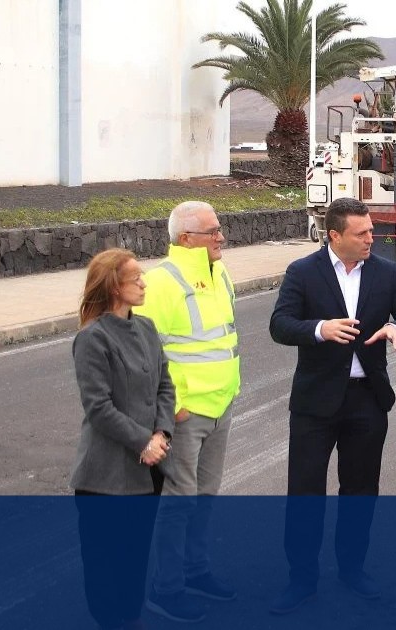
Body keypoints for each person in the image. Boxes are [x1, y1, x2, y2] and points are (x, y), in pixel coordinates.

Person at [267, 197, 396, 614]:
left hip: (367, 399)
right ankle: (301, 579)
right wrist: (320, 328)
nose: (372, 238)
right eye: (362, 233)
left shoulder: (386, 272)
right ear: (334, 235)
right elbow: (280, 325)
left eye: (371, 230)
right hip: (315, 402)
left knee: (360, 491)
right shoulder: (303, 272)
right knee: (305, 492)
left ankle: (352, 569)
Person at [132, 201, 240, 623]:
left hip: (220, 405)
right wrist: (171, 409)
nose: (221, 236)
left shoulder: (221, 273)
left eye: (219, 228)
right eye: (212, 231)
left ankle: (195, 571)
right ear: (185, 239)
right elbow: (143, 354)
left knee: (205, 497)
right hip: (185, 415)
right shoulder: (161, 282)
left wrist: (228, 392)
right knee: (178, 503)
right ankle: (167, 588)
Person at [70, 247, 174, 630]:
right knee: (104, 562)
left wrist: (161, 433)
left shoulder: (146, 328)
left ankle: (131, 616)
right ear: (115, 287)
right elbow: (98, 407)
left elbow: (165, 385)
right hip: (105, 475)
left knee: (135, 555)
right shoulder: (92, 339)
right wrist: (143, 441)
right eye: (136, 278)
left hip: (148, 471)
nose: (144, 283)